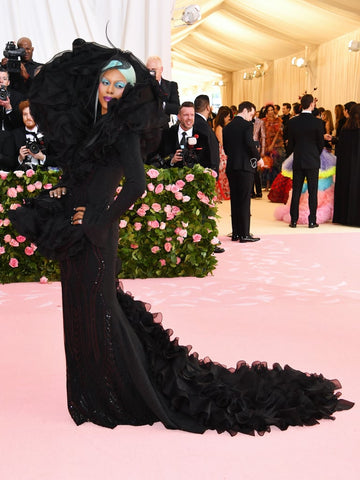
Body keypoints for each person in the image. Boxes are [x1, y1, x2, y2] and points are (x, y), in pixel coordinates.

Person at [9, 41, 353, 436]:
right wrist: (62, 198)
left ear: (128, 92)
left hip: (95, 236)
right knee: (80, 307)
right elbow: (81, 179)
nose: (109, 89)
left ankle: (119, 393)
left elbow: (136, 184)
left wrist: (102, 221)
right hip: (74, 230)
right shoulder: (87, 127)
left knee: (99, 309)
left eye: (118, 85)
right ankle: (91, 390)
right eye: (106, 81)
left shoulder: (124, 131)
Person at [223, 101, 263, 243]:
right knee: (245, 200)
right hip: (245, 167)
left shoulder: (227, 128)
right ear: (245, 110)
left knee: (235, 200)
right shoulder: (247, 125)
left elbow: (226, 149)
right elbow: (249, 144)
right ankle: (245, 234)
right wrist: (258, 158)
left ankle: (236, 233)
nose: (252, 118)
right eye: (251, 114)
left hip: (232, 166)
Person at [287, 94, 324, 228]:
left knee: (296, 190)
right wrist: (315, 153)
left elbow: (290, 144)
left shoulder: (292, 121)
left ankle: (294, 220)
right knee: (312, 191)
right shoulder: (318, 122)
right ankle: (312, 220)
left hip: (298, 159)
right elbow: (321, 143)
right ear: (311, 104)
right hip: (313, 160)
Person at [1, 100, 57, 170]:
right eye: (25, 114)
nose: (28, 117)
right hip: (21, 177)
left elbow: (59, 159)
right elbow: (8, 162)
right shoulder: (14, 135)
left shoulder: (48, 134)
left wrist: (42, 157)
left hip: (46, 176)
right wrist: (20, 158)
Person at [158, 101, 210, 168]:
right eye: (186, 115)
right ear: (179, 117)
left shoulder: (202, 137)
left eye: (192, 115)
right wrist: (171, 161)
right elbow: (160, 157)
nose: (189, 118)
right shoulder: (167, 134)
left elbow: (207, 162)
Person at [333, 103, 360, 227]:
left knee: (347, 188)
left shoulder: (345, 129)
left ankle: (343, 217)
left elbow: (340, 149)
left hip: (346, 166)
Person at [145, 55, 180, 124]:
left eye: (153, 70)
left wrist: (161, 105)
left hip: (163, 129)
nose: (151, 73)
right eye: (148, 70)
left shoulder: (171, 86)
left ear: (161, 69)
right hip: (145, 127)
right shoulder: (141, 86)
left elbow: (176, 108)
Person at [194, 94, 220, 175]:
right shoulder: (203, 126)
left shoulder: (193, 122)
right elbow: (211, 150)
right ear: (208, 108)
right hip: (204, 171)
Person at [213, 105, 231, 200]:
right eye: (228, 116)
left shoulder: (222, 126)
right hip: (221, 152)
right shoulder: (219, 127)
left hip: (224, 151)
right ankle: (221, 193)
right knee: (222, 172)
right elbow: (221, 141)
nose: (229, 118)